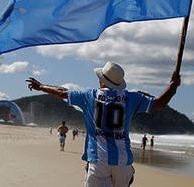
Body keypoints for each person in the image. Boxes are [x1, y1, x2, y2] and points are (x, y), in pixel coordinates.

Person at [26, 61, 181, 187]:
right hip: (122, 161)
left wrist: (41, 86)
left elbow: (61, 92)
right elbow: (160, 103)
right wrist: (173, 87)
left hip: (98, 160)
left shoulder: (89, 96)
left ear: (102, 81)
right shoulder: (132, 98)